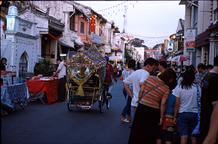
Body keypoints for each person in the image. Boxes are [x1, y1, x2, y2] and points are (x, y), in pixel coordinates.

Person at [128, 68, 176, 144]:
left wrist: (140, 100)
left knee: (137, 129)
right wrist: (161, 117)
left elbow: (141, 91)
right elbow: (163, 104)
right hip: (154, 111)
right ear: (169, 79)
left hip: (142, 107)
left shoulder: (150, 78)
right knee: (149, 133)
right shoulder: (166, 88)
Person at [123, 58, 159, 124]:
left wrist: (131, 95)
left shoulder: (136, 72)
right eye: (153, 68)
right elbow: (142, 83)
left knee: (134, 125)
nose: (153, 70)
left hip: (134, 102)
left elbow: (125, 83)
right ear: (148, 65)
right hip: (142, 104)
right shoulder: (146, 74)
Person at [173, 68, 200, 144]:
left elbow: (177, 103)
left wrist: (175, 116)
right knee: (193, 136)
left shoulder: (179, 87)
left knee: (184, 136)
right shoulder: (197, 88)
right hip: (195, 114)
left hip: (183, 114)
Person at [200, 55, 218, 144]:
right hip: (211, 117)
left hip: (205, 115)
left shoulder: (207, 76)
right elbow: (215, 103)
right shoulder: (215, 78)